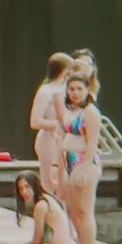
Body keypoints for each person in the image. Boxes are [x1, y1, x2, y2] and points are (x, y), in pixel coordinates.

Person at [54, 69, 102, 244]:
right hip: (68, 160)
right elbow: (63, 138)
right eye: (71, 89)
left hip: (84, 161)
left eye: (79, 89)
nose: (74, 92)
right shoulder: (71, 111)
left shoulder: (90, 112)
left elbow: (92, 141)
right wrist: (59, 167)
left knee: (85, 210)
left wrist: (83, 167)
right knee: (73, 210)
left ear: (87, 90)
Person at [0, 171, 70, 244]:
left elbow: (36, 241)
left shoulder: (40, 206)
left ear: (35, 186)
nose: (24, 192)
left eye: (27, 187)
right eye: (21, 188)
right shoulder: (47, 198)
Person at [29, 52, 74, 181]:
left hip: (64, 139)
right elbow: (35, 121)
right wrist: (59, 125)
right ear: (64, 71)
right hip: (49, 139)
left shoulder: (67, 90)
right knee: (50, 181)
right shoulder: (46, 91)